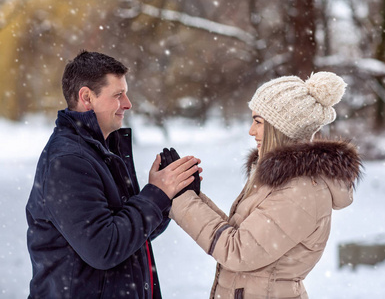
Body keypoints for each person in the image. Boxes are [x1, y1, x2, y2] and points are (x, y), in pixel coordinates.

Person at [167, 72, 363, 298]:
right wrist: (191, 195)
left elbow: (237, 251)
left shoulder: (300, 190)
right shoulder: (282, 180)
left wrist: (181, 199)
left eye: (258, 122)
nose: (251, 131)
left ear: (282, 127)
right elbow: (239, 233)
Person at [26, 50, 200, 299]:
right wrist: (155, 194)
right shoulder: (68, 161)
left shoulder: (101, 151)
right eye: (118, 95)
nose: (128, 103)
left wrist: (168, 197)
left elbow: (131, 235)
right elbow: (104, 247)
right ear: (87, 97)